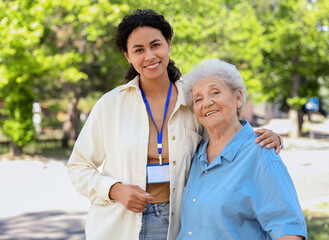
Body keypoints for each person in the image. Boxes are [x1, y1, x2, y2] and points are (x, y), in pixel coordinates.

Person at [67, 9, 282, 240]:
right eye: (138, 50)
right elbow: (78, 167)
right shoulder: (110, 105)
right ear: (127, 56)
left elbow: (226, 141)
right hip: (118, 224)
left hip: (177, 224)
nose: (149, 56)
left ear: (168, 43)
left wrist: (270, 139)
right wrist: (114, 189)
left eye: (155, 45)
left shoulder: (193, 100)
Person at [176, 58, 307, 240]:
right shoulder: (196, 153)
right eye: (198, 99)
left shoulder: (261, 153)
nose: (206, 103)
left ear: (238, 98)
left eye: (215, 92)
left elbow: (289, 230)